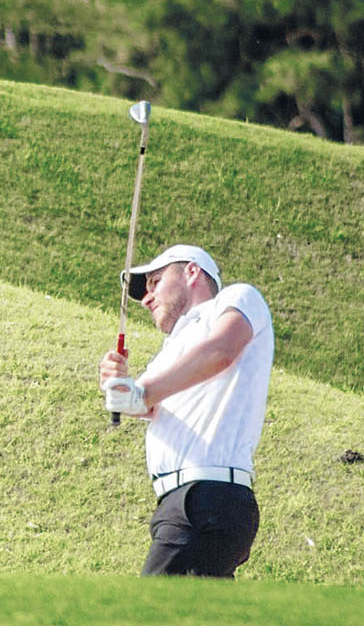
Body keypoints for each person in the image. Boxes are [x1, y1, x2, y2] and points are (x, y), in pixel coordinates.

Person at [98, 244, 274, 578]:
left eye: (155, 282)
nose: (146, 298)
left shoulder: (236, 298)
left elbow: (222, 350)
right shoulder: (170, 352)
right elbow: (144, 403)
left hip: (206, 497)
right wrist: (118, 385)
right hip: (181, 503)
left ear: (192, 272)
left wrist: (141, 392)